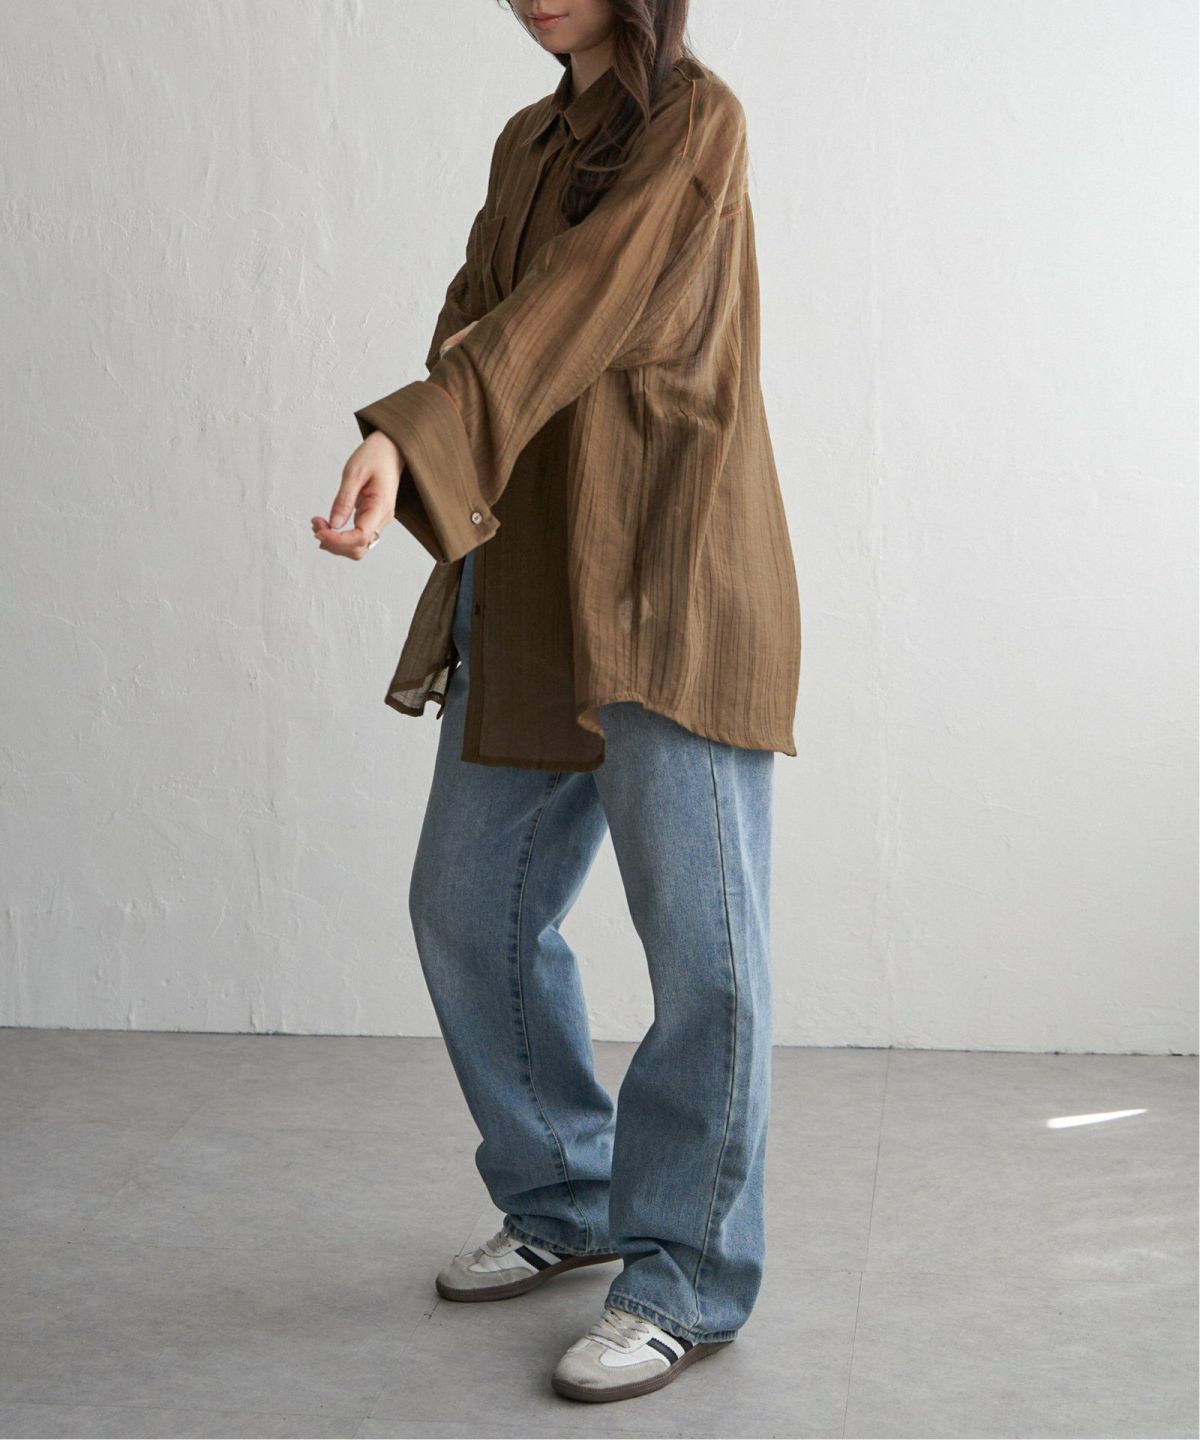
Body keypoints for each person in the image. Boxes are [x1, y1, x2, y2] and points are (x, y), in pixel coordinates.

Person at [312, 0, 802, 1407]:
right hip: (533, 581)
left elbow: (576, 304)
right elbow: (479, 315)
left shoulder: (696, 121)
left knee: (705, 954)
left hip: (668, 576)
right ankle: (564, 1190)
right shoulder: (527, 139)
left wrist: (415, 431)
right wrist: (419, 441)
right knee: (468, 906)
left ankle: (687, 1276)